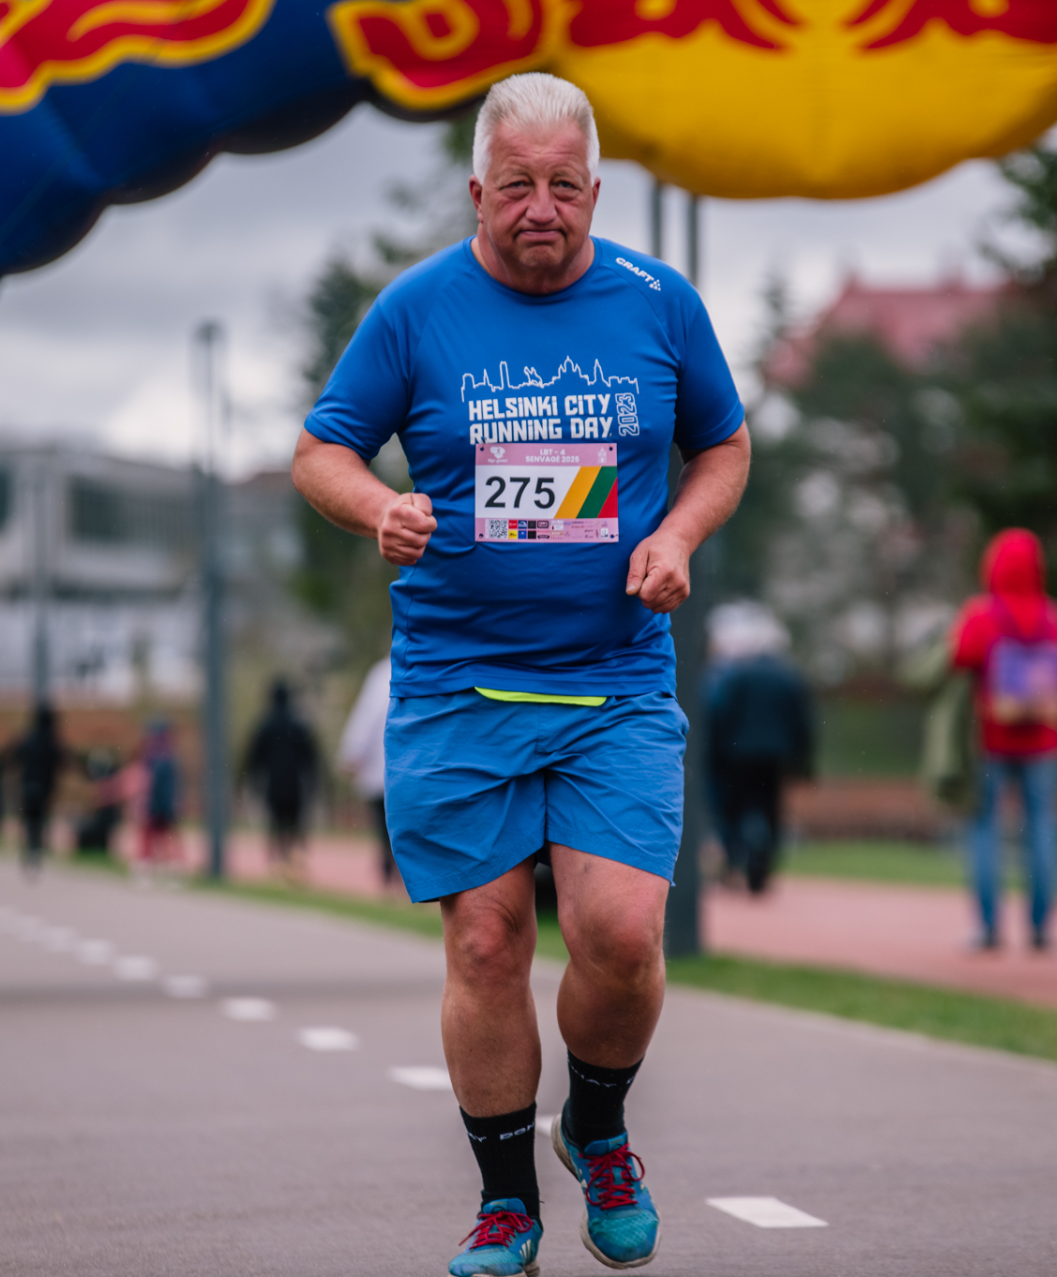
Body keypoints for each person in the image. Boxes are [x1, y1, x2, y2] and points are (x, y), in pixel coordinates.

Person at [292, 73, 750, 1277]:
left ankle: (595, 1127)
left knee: (623, 938)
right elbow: (319, 447)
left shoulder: (659, 303)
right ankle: (506, 1204)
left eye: (563, 186)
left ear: (594, 188)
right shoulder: (416, 310)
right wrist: (378, 504)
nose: (540, 208)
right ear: (476, 192)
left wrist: (678, 537)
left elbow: (725, 443)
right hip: (456, 685)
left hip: (614, 685)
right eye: (516, 187)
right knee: (488, 945)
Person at [949, 528, 1057, 952]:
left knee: (985, 829)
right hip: (1044, 739)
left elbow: (960, 656)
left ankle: (988, 928)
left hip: (991, 736)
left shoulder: (982, 614)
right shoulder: (1055, 615)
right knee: (1043, 827)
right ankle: (1041, 928)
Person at [706, 609, 814, 895]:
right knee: (770, 809)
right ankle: (762, 870)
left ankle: (734, 862)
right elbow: (803, 723)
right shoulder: (789, 677)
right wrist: (804, 764)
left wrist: (715, 754)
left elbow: (721, 715)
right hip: (775, 757)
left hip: (738, 756)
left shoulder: (738, 675)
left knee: (736, 808)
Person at [243, 680, 321, 883]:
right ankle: (296, 865)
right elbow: (311, 757)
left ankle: (276, 866)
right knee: (295, 825)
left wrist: (250, 781)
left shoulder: (265, 725)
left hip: (273, 785)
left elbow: (253, 758)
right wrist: (314, 783)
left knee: (275, 825)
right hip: (295, 785)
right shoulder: (299, 724)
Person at [338, 658, 396, 886]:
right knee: (403, 828)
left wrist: (351, 754)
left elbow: (366, 717)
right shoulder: (426, 664)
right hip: (409, 770)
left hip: (381, 773)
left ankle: (388, 874)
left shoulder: (382, 674)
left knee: (386, 829)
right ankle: (400, 875)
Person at [10, 703, 67, 877]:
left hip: (28, 786)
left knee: (29, 820)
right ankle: (37, 851)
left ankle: (30, 850)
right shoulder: (52, 741)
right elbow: (62, 761)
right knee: (40, 820)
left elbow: (15, 757)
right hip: (45, 789)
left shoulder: (28, 739)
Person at [137, 721, 181, 875]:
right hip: (159, 801)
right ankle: (157, 866)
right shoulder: (155, 756)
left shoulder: (162, 757)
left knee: (161, 835)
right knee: (155, 835)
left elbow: (148, 781)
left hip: (161, 802)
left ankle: (167, 867)